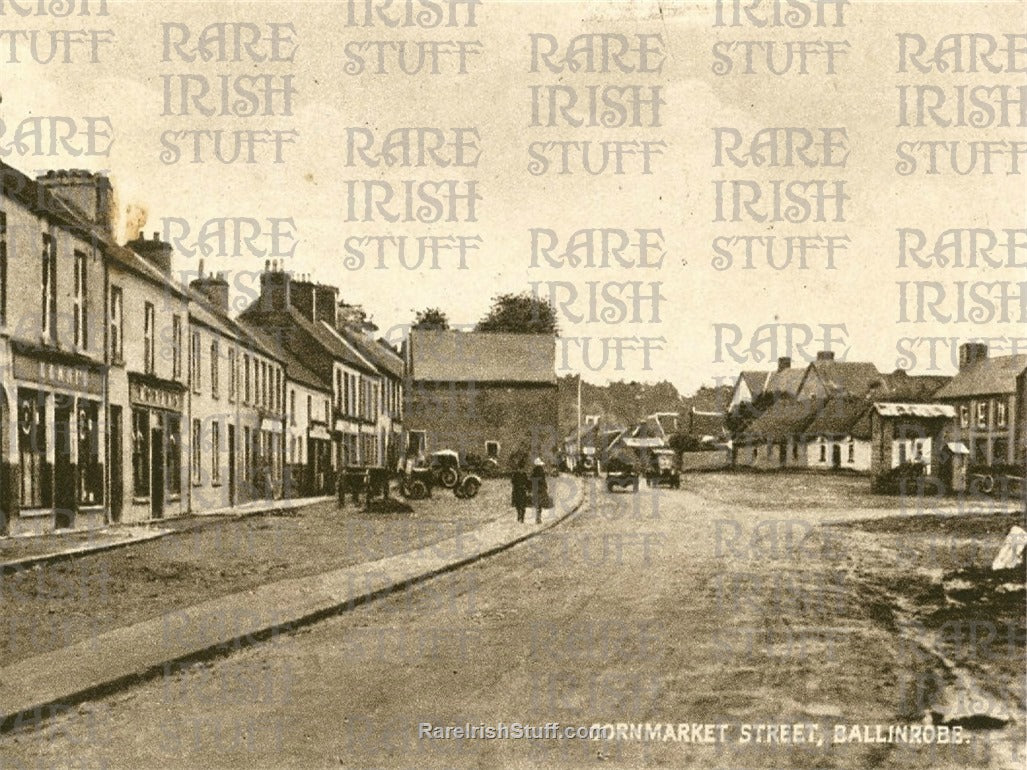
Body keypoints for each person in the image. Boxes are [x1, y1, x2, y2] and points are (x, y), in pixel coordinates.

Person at [530, 457, 548, 524]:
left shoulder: (534, 471)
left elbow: (531, 479)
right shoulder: (541, 471)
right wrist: (545, 486)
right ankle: (538, 518)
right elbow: (543, 480)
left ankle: (537, 518)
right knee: (540, 503)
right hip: (540, 488)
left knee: (537, 503)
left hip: (535, 488)